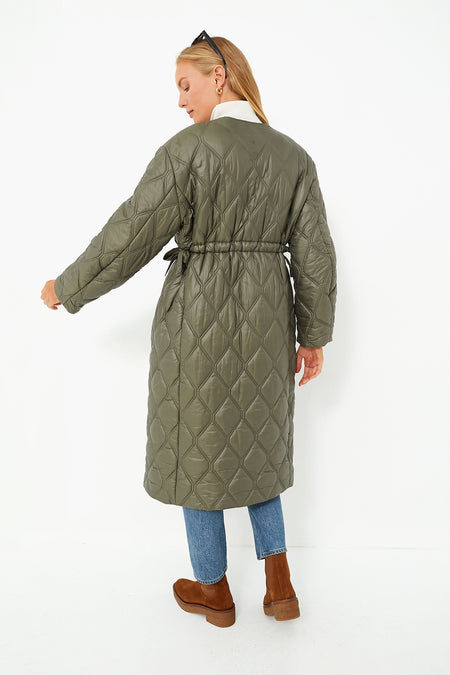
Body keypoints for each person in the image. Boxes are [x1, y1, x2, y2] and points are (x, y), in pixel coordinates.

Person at [41, 31, 337, 629]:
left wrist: (68, 287)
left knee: (197, 444)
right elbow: (315, 255)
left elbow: (132, 232)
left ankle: (214, 590)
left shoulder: (188, 151)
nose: (180, 101)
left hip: (196, 320)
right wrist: (313, 335)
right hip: (268, 319)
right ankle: (280, 586)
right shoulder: (293, 156)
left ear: (218, 77)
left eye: (185, 85)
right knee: (258, 444)